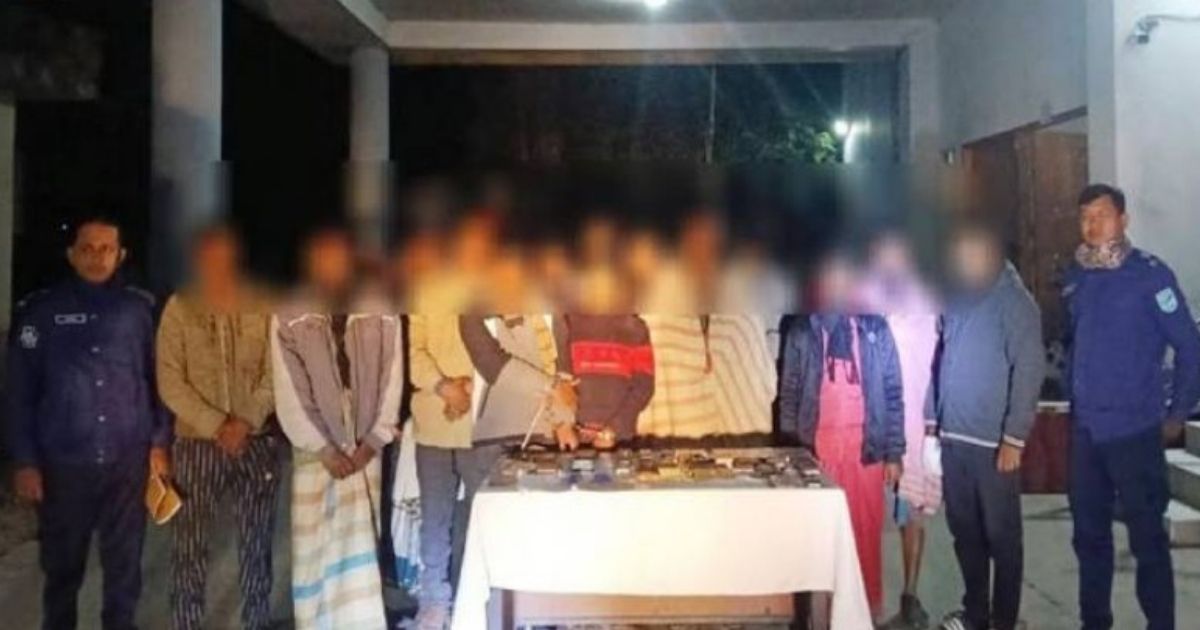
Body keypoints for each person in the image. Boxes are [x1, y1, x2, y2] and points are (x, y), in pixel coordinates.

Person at [6, 216, 171, 630]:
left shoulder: (141, 310)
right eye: (87, 248)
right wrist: (25, 461)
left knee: (124, 567)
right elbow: (19, 392)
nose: (97, 257)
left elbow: (159, 379)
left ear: (121, 255)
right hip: (64, 464)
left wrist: (159, 442)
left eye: (106, 249)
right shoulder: (40, 312)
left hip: (127, 461)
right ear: (71, 254)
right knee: (62, 569)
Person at [1064, 184, 1200, 630]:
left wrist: (1178, 411)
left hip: (1134, 432)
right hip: (1087, 433)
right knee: (1089, 538)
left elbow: (1190, 346)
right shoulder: (1078, 276)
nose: (1092, 225)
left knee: (1147, 541)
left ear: (1123, 220)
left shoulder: (1149, 276)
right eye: (1085, 217)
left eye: (1101, 215)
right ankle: (1094, 622)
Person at [272, 227, 403, 630]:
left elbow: (393, 376)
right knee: (316, 552)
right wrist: (322, 447)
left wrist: (374, 439)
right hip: (316, 453)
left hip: (365, 451)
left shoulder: (381, 309)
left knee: (360, 549)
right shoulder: (289, 313)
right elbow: (287, 386)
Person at [156, 226, 280, 630]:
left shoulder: (263, 304)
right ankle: (186, 622)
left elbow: (276, 371)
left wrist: (246, 420)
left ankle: (255, 621)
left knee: (256, 540)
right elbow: (170, 380)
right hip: (198, 443)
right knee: (189, 545)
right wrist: (217, 424)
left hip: (255, 440)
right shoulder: (180, 308)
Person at [928, 225, 1044, 630]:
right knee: (965, 534)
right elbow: (941, 358)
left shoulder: (1014, 301)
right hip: (954, 439)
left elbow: (1030, 368)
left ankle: (1004, 620)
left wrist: (1015, 436)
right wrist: (933, 422)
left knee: (1002, 538)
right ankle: (975, 614)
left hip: (993, 444)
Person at [778, 253, 905, 617]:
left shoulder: (875, 329)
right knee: (820, 542)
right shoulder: (802, 329)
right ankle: (820, 618)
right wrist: (792, 456)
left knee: (864, 536)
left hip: (866, 454)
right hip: (817, 455)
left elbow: (892, 392)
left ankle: (864, 616)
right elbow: (789, 395)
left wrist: (894, 452)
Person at [860, 232, 941, 630]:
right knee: (866, 514)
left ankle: (909, 598)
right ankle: (865, 601)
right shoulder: (865, 302)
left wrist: (933, 421)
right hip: (870, 424)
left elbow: (939, 367)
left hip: (914, 427)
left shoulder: (929, 304)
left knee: (913, 513)